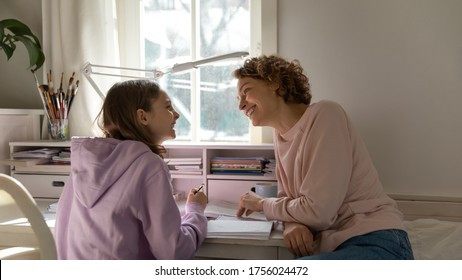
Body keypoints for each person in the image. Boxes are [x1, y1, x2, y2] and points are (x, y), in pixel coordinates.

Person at [233, 55, 414, 260]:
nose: (241, 105)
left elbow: (318, 213)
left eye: (246, 91)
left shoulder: (326, 114)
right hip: (334, 245)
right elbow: (290, 200)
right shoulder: (281, 136)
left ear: (274, 82)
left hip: (374, 239)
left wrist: (262, 204)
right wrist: (293, 223)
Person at [55, 80, 208, 259]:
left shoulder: (85, 162)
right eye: (168, 107)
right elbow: (174, 252)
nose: (176, 115)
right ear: (143, 117)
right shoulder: (149, 165)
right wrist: (195, 211)